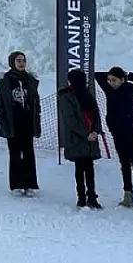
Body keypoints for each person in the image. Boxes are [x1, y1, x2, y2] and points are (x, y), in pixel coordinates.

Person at [94, 65, 133, 210]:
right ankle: (128, 195)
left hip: (132, 132)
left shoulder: (130, 89)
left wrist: (128, 75)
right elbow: (97, 75)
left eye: (114, 80)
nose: (111, 83)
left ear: (122, 80)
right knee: (124, 164)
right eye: (109, 80)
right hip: (117, 132)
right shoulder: (108, 89)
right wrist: (111, 75)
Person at [0, 51, 41, 196]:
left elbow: (35, 101)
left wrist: (36, 117)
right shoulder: (6, 80)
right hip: (13, 122)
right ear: (12, 63)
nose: (21, 63)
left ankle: (30, 184)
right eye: (18, 61)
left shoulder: (29, 79)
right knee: (15, 152)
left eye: (23, 60)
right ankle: (16, 184)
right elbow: (0, 104)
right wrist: (4, 121)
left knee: (28, 152)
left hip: (27, 120)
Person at [57, 68, 103, 208]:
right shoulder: (66, 97)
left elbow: (96, 114)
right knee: (80, 167)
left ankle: (92, 196)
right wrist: (85, 133)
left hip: (91, 136)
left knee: (90, 168)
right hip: (77, 138)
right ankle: (81, 197)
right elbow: (70, 120)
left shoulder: (88, 94)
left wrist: (95, 131)